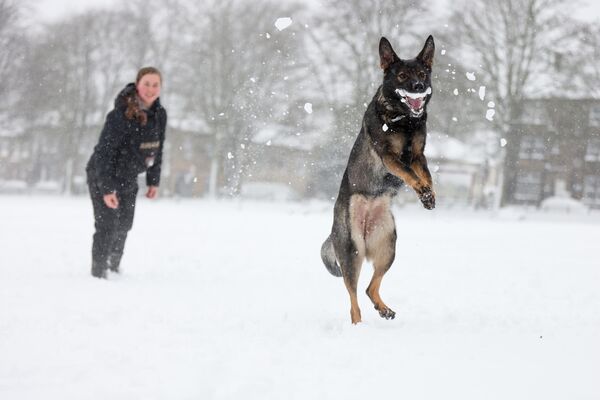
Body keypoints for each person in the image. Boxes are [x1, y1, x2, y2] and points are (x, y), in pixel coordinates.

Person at [86, 67, 167, 278]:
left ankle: (114, 267)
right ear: (138, 84)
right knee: (108, 223)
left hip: (128, 175)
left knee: (124, 224)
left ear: (160, 87)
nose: (150, 89)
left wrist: (153, 181)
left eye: (155, 84)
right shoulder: (120, 115)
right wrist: (107, 188)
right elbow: (103, 153)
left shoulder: (160, 115)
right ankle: (99, 272)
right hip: (102, 174)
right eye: (146, 83)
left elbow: (158, 148)